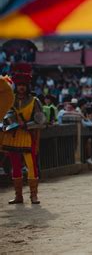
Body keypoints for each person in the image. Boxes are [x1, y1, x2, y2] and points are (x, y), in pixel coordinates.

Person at [2, 63, 45, 204]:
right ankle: (18, 196)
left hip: (27, 136)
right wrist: (9, 122)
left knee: (31, 166)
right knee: (15, 166)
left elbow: (40, 120)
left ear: (27, 86)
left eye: (23, 85)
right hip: (12, 136)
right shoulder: (9, 100)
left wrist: (26, 124)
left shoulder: (34, 101)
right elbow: (4, 116)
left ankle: (34, 195)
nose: (21, 87)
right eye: (19, 84)